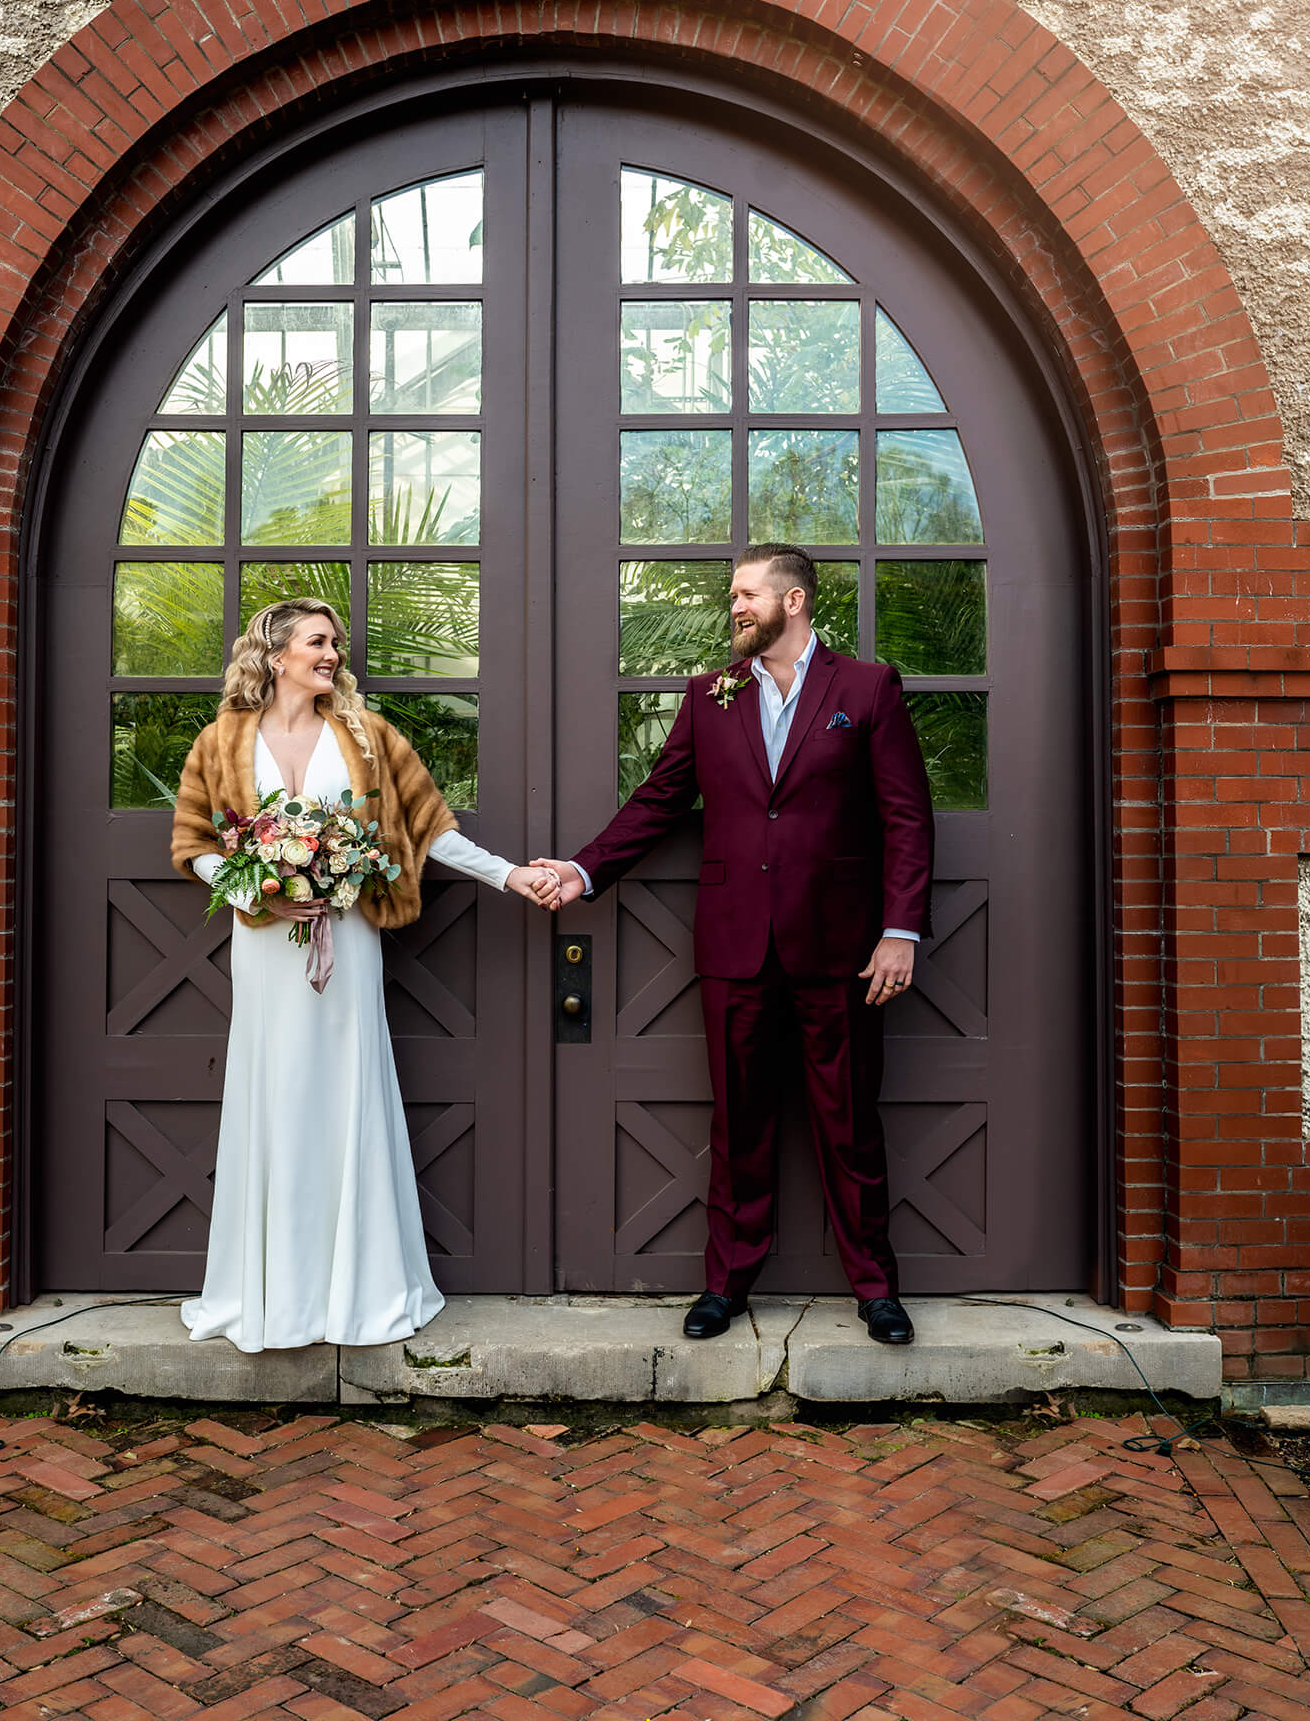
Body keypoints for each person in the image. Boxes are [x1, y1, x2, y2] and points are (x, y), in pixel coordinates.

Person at [534, 543, 934, 1346]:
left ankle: (876, 1289)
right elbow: (659, 800)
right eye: (733, 597)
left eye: (747, 594)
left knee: (850, 1122)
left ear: (794, 600)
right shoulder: (709, 697)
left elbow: (905, 816)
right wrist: (584, 869)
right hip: (736, 944)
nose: (735, 608)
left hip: (841, 947)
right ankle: (726, 1285)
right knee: (739, 1122)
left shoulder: (867, 687)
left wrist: (900, 930)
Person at [170, 597, 560, 1353]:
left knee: (345, 1093)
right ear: (275, 654)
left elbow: (433, 829)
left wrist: (510, 876)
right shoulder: (219, 742)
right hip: (265, 946)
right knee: (274, 1093)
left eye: (336, 645)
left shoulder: (368, 738)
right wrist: (263, 892)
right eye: (318, 642)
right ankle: (270, 1294)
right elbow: (195, 843)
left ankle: (361, 1288)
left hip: (345, 942)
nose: (333, 655)